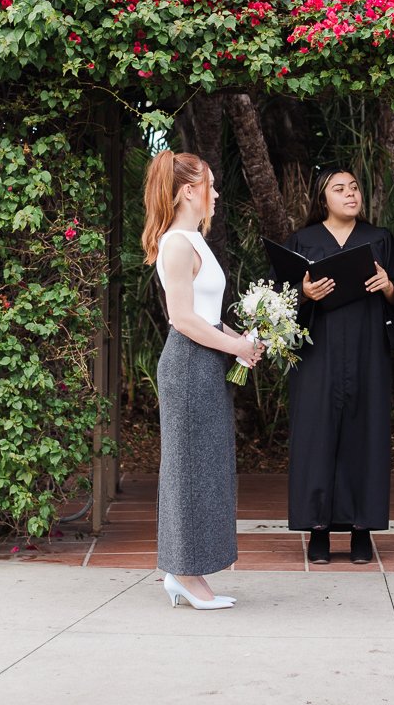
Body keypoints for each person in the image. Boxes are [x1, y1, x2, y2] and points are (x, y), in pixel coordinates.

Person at [142, 150, 266, 610]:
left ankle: (186, 570)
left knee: (206, 466)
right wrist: (235, 346)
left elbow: (206, 316)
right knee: (189, 470)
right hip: (188, 365)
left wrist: (245, 339)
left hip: (205, 362)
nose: (216, 193)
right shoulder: (176, 244)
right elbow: (182, 319)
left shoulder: (195, 241)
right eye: (209, 185)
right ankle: (184, 573)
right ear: (188, 191)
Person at [284, 168, 394, 565]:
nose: (350, 194)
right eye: (339, 189)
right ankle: (319, 531)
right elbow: (279, 300)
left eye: (355, 187)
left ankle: (362, 530)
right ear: (322, 198)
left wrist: (390, 287)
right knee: (316, 435)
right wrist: (303, 294)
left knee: (367, 434)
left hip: (367, 353)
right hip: (317, 355)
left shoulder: (380, 240)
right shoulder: (304, 242)